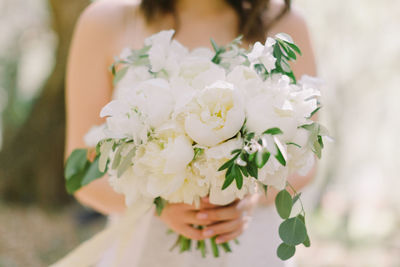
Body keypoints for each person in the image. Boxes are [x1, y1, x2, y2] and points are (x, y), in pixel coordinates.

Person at [65, 0, 317, 266]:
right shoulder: (105, 22)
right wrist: (156, 205)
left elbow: (306, 159)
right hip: (147, 252)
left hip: (251, 248)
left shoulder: (286, 24)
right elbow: (82, 174)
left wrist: (252, 195)